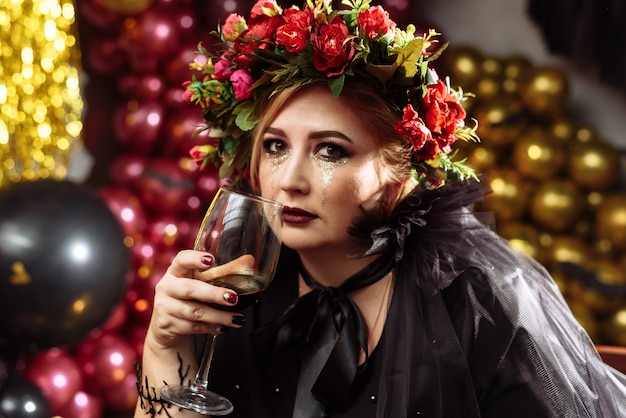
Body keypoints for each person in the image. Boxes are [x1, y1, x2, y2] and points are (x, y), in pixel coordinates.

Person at [134, 1, 626, 417]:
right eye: (276, 147)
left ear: (400, 171)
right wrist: (164, 347)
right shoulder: (244, 284)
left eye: (331, 151)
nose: (289, 181)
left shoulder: (478, 299)